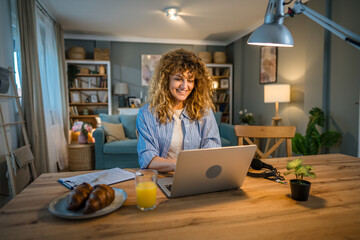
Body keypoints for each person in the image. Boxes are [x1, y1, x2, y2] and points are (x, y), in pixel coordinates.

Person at [136, 49, 221, 172]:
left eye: (190, 80)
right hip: (163, 178)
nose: (185, 86)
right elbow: (147, 158)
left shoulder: (204, 111)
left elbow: (213, 148)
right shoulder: (147, 113)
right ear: (165, 80)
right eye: (178, 79)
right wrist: (181, 165)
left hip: (197, 176)